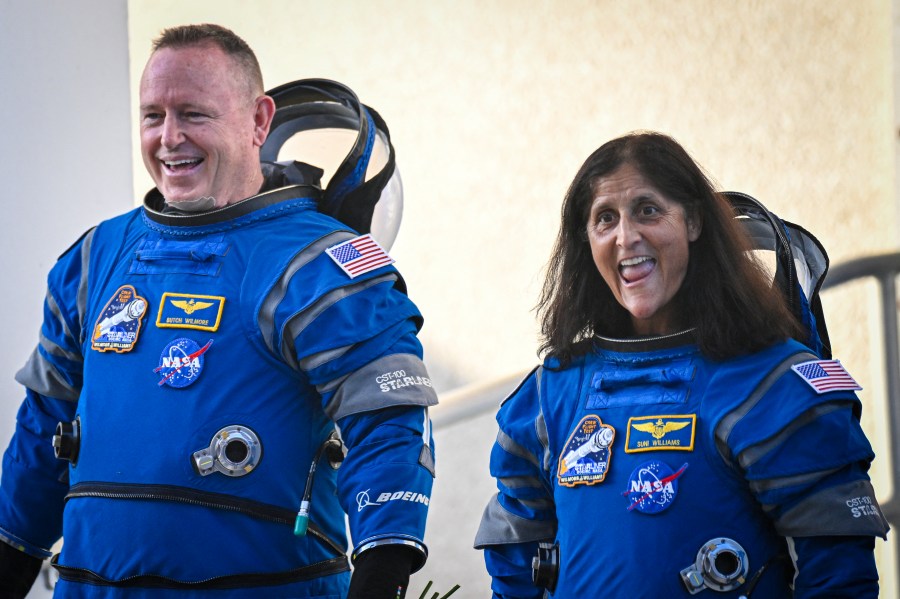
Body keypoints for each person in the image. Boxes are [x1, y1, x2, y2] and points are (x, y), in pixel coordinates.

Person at [0, 24, 437, 598]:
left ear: (259, 120)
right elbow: (42, 433)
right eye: (152, 115)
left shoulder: (319, 262)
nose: (169, 137)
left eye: (194, 114)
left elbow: (388, 427)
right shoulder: (94, 258)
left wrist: (382, 575)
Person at [474, 131, 889, 597]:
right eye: (604, 219)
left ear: (693, 220)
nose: (626, 237)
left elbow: (838, 578)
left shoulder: (772, 385)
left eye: (648, 210)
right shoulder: (551, 395)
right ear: (586, 242)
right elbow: (514, 570)